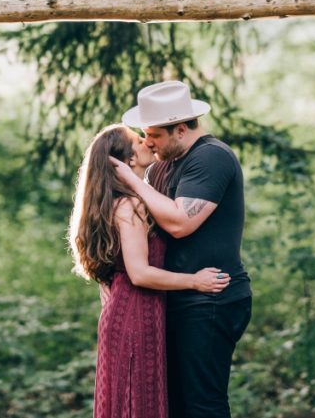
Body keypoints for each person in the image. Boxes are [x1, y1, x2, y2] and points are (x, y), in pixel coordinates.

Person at [69, 124, 232, 418]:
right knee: (136, 401)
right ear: (128, 160)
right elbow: (140, 273)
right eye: (138, 140)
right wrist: (195, 281)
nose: (147, 142)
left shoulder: (132, 197)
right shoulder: (129, 205)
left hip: (138, 310)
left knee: (133, 401)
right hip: (135, 314)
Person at [112, 80, 252, 418]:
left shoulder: (211, 157)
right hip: (177, 298)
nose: (147, 142)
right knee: (174, 405)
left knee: (202, 405)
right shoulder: (162, 166)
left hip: (212, 299)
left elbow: (179, 223)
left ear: (179, 129)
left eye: (154, 135)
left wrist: (132, 180)